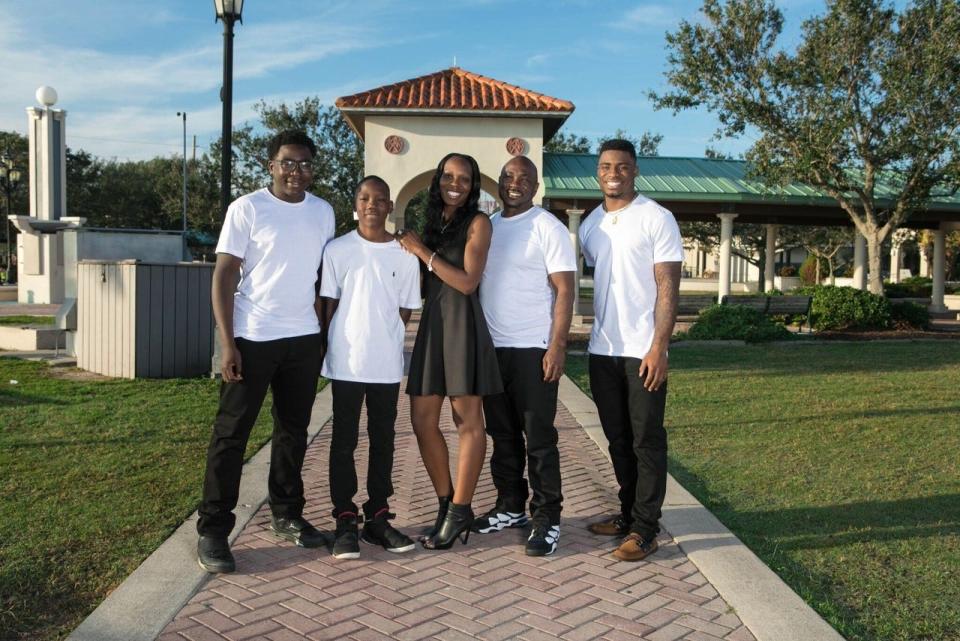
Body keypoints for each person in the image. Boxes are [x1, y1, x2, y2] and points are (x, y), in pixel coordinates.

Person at [196, 130, 335, 574]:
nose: (296, 172)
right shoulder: (248, 209)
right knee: (231, 435)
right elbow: (223, 276)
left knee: (293, 432)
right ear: (271, 166)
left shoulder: (323, 212)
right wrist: (227, 341)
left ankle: (287, 514)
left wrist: (321, 336)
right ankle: (214, 530)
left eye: (305, 164)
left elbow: (318, 279)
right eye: (288, 163)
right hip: (253, 337)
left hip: (302, 339)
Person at [579, 139, 683, 562]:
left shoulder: (657, 218)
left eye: (621, 166)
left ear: (635, 170)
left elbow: (667, 286)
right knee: (618, 440)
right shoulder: (590, 226)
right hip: (602, 350)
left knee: (646, 440)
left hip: (642, 351)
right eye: (605, 166)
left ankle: (645, 529)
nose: (613, 173)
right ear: (598, 172)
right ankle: (627, 514)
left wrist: (659, 348)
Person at [395, 152, 502, 550]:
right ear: (438, 180)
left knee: (467, 421)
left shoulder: (479, 223)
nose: (454, 183)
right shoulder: (433, 223)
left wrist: (422, 252)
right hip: (432, 327)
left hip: (462, 326)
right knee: (422, 419)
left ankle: (460, 510)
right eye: (448, 176)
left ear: (473, 185)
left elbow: (468, 281)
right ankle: (447, 504)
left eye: (464, 178)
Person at [474, 156, 575, 556]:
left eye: (524, 178)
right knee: (502, 435)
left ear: (535, 186)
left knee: (539, 439)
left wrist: (557, 345)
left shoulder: (547, 227)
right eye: (508, 177)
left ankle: (547, 517)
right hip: (493, 351)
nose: (515, 183)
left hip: (534, 349)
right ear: (498, 183)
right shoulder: (490, 226)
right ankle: (510, 505)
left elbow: (565, 290)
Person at [320, 176, 421, 560]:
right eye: (364, 198)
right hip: (346, 362)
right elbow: (328, 304)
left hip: (385, 364)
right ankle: (345, 518)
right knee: (344, 440)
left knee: (383, 439)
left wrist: (386, 333)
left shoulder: (404, 253)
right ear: (355, 204)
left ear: (390, 205)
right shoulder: (337, 250)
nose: (372, 205)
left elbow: (406, 308)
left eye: (380, 199)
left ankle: (377, 517)